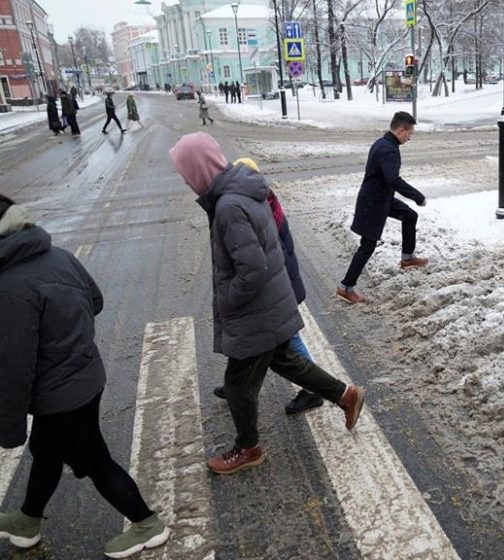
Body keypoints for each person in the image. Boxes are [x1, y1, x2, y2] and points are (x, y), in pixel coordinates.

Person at [168, 133, 366, 475]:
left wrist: (228, 301)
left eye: (185, 171)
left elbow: (253, 267)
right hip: (269, 301)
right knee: (287, 361)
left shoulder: (229, 206)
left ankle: (249, 447)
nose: (185, 179)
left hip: (254, 310)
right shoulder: (240, 191)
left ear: (200, 168)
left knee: (237, 384)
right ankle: (345, 395)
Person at [0, 195, 170, 557]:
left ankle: (147, 525)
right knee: (46, 451)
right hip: (86, 375)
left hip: (61, 394)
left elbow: (14, 368)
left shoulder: (9, 288)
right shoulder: (59, 256)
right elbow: (96, 301)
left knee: (94, 461)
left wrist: (8, 427)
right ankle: (27, 521)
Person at [211, 158, 324, 414]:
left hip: (277, 287)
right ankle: (236, 386)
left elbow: (272, 255)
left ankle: (315, 389)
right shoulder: (262, 200)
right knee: (252, 340)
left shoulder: (253, 207)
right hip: (280, 283)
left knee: (285, 341)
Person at [337, 111, 428, 304]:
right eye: (409, 133)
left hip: (381, 199)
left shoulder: (384, 143)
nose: (410, 137)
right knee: (367, 247)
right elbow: (393, 179)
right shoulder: (388, 149)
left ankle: (407, 257)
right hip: (373, 203)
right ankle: (345, 287)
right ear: (401, 130)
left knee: (409, 215)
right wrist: (417, 196)